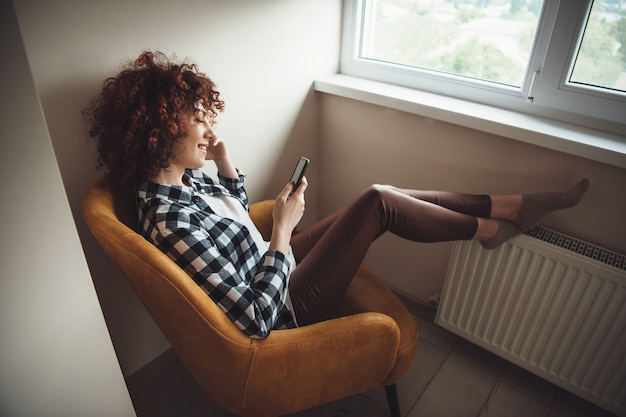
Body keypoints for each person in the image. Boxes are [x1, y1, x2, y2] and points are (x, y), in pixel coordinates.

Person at [83, 51, 589, 339]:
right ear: (158, 130)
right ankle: (497, 223)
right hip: (284, 304)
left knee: (381, 196)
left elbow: (231, 210)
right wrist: (281, 231)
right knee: (378, 200)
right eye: (197, 116)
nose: (209, 124)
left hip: (269, 263)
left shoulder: (181, 180)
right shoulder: (169, 222)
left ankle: (504, 211)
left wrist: (222, 164)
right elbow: (256, 319)